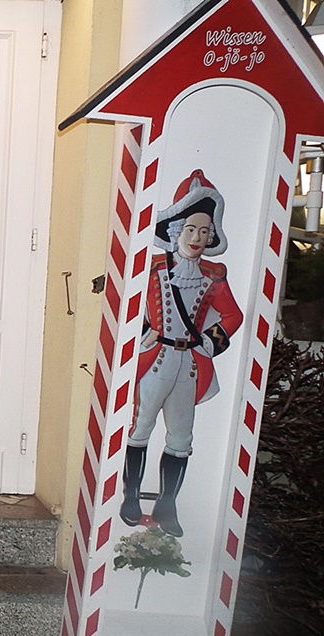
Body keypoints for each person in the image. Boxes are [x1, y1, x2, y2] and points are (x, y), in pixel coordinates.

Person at [120, 169, 243, 537]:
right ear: (175, 231)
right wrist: (143, 332)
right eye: (191, 229)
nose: (197, 238)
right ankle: (129, 496)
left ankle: (167, 505)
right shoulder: (152, 269)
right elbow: (126, 300)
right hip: (154, 361)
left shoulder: (213, 275)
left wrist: (211, 340)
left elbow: (234, 315)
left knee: (181, 438)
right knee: (140, 428)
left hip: (189, 366)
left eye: (205, 232)